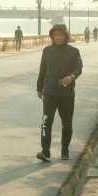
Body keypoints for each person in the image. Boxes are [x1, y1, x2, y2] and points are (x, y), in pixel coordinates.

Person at [36, 24, 83, 162]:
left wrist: (72, 77)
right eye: (55, 35)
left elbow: (79, 68)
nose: (57, 37)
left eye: (60, 35)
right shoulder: (47, 50)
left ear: (66, 36)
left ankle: (65, 150)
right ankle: (45, 151)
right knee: (46, 122)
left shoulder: (74, 51)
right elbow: (42, 71)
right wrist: (39, 88)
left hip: (66, 94)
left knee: (67, 124)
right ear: (52, 36)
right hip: (49, 92)